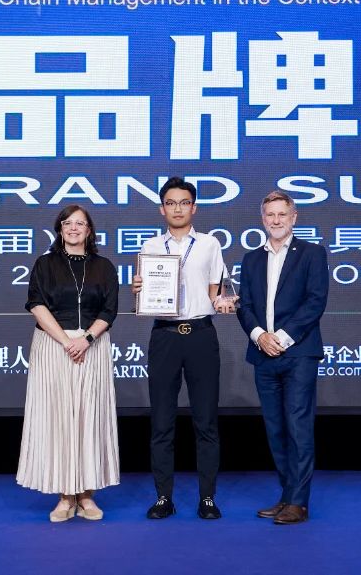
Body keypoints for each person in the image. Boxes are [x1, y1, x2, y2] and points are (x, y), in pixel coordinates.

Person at [132, 177, 235, 520]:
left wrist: (222, 301)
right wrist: (139, 289)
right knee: (162, 421)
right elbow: (144, 293)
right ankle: (164, 497)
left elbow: (214, 292)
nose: (177, 208)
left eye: (184, 202)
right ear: (162, 209)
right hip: (164, 335)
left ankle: (207, 497)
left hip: (201, 335)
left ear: (194, 207)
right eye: (171, 203)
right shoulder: (150, 245)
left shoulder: (209, 244)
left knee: (206, 421)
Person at [16, 204, 120, 522]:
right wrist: (66, 341)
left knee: (89, 418)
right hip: (54, 346)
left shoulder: (104, 266)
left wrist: (85, 339)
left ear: (89, 230)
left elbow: (109, 310)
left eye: (80, 223)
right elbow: (36, 303)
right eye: (67, 223)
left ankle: (87, 494)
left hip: (92, 346)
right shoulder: (45, 264)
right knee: (58, 419)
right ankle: (64, 495)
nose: (74, 228)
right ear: (60, 229)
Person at [235, 190, 328, 525]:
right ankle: (287, 496)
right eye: (270, 215)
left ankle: (299, 503)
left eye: (282, 214)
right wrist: (260, 336)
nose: (276, 220)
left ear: (294, 218)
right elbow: (244, 305)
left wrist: (283, 339)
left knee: (298, 427)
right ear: (263, 219)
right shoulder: (251, 259)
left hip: (299, 353)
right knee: (275, 429)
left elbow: (315, 302)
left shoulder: (312, 253)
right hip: (263, 354)